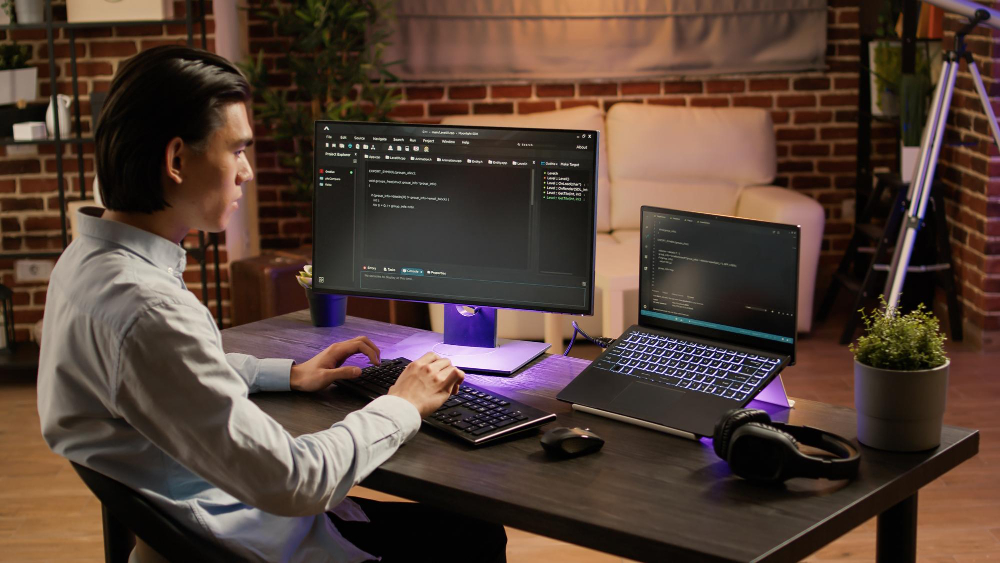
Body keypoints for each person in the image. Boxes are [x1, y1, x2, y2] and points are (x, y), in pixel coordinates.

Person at [36, 46, 507, 562]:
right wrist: (402, 403)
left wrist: (289, 374)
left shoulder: (85, 264)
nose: (247, 173)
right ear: (176, 160)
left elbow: (170, 375)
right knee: (479, 534)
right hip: (259, 539)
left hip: (214, 520)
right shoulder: (149, 310)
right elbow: (297, 481)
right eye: (236, 150)